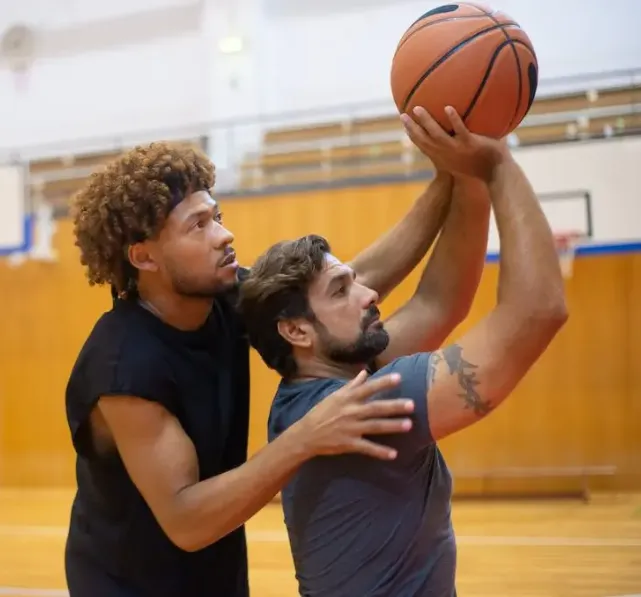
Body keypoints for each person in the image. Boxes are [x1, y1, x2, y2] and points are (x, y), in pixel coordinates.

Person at [63, 129, 490, 596]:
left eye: (217, 216)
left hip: (216, 566)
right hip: (128, 583)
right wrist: (305, 436)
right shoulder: (123, 368)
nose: (224, 235)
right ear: (144, 257)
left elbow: (333, 294)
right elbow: (186, 520)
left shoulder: (222, 295)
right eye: (198, 226)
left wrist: (448, 178)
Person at [237, 106, 569, 597]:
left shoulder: (323, 387)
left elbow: (439, 301)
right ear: (297, 332)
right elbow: (538, 310)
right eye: (341, 290)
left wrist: (464, 175)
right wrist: (497, 165)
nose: (371, 294)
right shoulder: (364, 408)